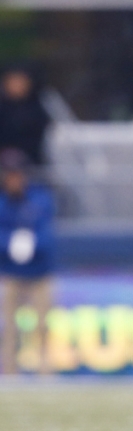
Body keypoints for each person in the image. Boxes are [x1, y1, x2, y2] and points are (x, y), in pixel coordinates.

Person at [0, 149, 55, 374]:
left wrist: (32, 242)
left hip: (39, 272)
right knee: (8, 327)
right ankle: (8, 371)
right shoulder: (2, 202)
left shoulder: (41, 198)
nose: (13, 179)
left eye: (16, 174)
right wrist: (10, 242)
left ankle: (45, 371)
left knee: (42, 325)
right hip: (10, 272)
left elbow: (47, 232)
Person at [0, 69, 51, 173]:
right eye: (13, 82)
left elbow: (42, 134)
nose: (17, 86)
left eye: (21, 82)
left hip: (32, 158)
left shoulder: (38, 107)